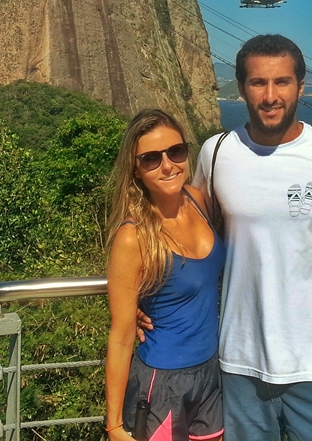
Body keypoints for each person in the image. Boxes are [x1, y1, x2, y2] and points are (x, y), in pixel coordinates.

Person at [141, 34, 312, 440]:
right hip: (238, 368)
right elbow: (182, 233)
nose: (270, 95)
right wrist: (139, 299)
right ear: (242, 87)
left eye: (282, 82)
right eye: (258, 83)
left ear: (300, 86)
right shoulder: (218, 153)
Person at [105, 109, 225, 441]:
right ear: (136, 169)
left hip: (212, 372)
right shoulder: (134, 237)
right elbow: (121, 335)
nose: (168, 165)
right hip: (162, 381)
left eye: (176, 151)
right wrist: (113, 423)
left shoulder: (198, 200)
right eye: (151, 159)